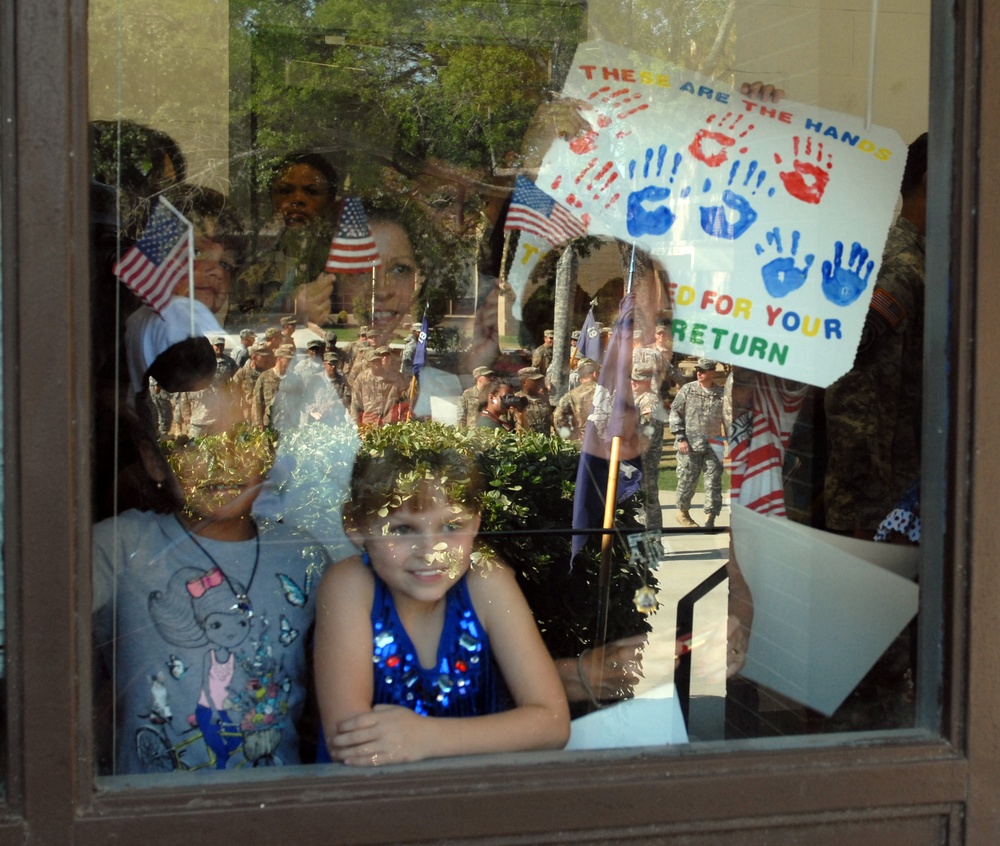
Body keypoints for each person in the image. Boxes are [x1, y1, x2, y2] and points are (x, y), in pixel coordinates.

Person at [313, 446, 570, 766]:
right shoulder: (350, 586)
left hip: (475, 804)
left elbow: (552, 723)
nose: (430, 551)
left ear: (475, 525)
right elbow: (351, 744)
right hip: (372, 806)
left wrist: (426, 737)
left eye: (451, 527)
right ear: (356, 526)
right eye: (403, 529)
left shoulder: (487, 581)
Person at [824, 132, 928, 537]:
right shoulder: (904, 265)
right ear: (929, 181)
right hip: (876, 487)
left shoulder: (912, 255)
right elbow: (857, 371)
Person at [669, 358, 724, 528]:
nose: (699, 373)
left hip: (714, 446)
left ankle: (711, 517)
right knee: (687, 480)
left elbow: (729, 419)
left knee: (713, 482)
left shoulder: (721, 394)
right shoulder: (688, 390)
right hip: (690, 445)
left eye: (703, 370)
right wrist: (680, 438)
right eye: (698, 370)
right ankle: (683, 513)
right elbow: (675, 412)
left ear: (712, 372)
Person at [632, 367, 669, 532]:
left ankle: (652, 537)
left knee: (648, 498)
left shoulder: (649, 401)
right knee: (644, 497)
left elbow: (647, 428)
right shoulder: (641, 398)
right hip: (641, 456)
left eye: (637, 379)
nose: (633, 382)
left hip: (644, 458)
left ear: (647, 381)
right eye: (632, 379)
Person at [553, 357, 598, 444]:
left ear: (580, 379)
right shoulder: (607, 393)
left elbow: (557, 419)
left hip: (582, 443)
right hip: (606, 444)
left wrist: (574, 436)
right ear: (595, 374)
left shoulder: (570, 395)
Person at [514, 366, 552, 434]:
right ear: (524, 382)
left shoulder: (545, 399)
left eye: (540, 380)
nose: (539, 383)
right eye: (535, 381)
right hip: (525, 443)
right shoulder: (516, 400)